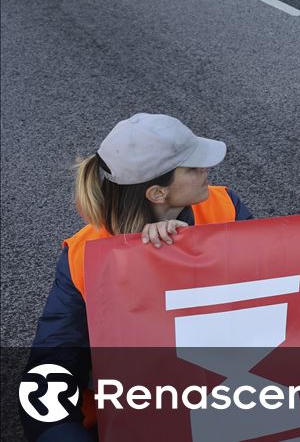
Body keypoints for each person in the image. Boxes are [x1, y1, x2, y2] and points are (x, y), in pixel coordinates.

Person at [22, 114, 254, 442]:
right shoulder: (84, 255)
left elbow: (271, 290)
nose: (207, 171)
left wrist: (195, 251)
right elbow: (50, 369)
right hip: (138, 404)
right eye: (192, 168)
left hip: (227, 382)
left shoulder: (224, 207)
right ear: (157, 193)